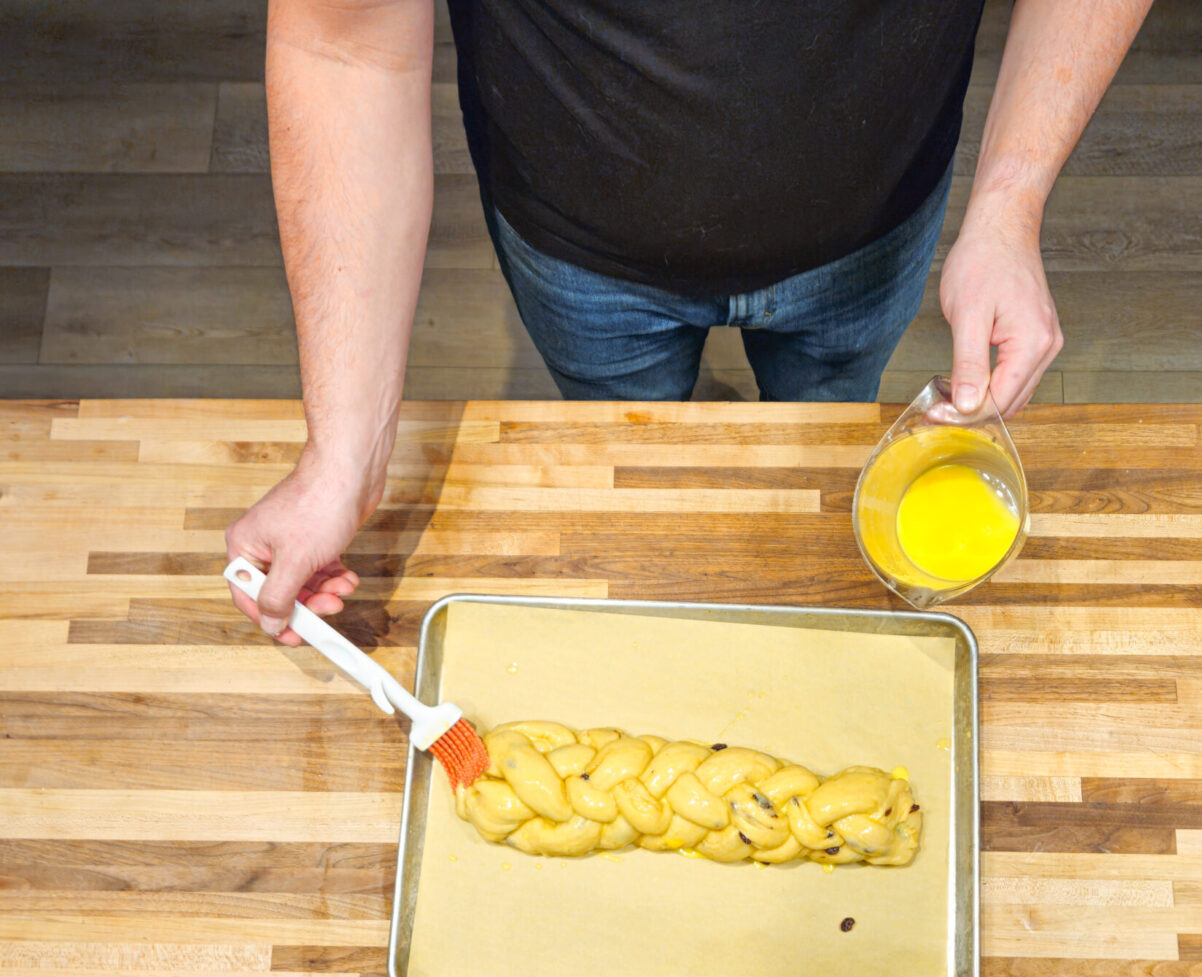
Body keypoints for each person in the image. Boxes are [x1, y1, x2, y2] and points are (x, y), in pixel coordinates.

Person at [227, 0, 1153, 642]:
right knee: (639, 498)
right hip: (579, 249)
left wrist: (1010, 201)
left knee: (826, 455)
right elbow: (343, 40)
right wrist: (343, 454)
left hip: (875, 224)